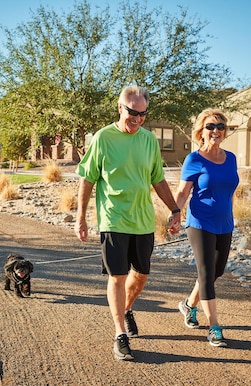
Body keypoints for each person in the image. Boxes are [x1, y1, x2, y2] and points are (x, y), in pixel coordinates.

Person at [74, 85, 181, 361]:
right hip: (113, 218)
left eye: (143, 114)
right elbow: (87, 178)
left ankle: (127, 308)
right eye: (133, 112)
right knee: (117, 276)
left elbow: (157, 179)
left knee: (142, 273)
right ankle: (120, 333)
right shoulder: (102, 138)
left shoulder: (148, 140)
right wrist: (81, 217)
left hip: (143, 220)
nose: (138, 119)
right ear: (121, 108)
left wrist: (174, 209)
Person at [173, 108, 239, 347]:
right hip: (200, 222)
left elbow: (230, 190)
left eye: (220, 127)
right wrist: (175, 214)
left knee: (217, 271)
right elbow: (182, 192)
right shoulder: (195, 159)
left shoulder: (230, 158)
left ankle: (189, 305)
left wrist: (231, 214)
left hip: (225, 223)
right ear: (201, 131)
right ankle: (214, 327)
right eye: (210, 126)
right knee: (206, 273)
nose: (216, 131)